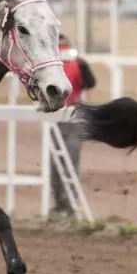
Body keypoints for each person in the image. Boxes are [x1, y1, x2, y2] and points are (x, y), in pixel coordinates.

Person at [49, 33, 96, 215]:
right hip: (55, 118)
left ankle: (70, 203)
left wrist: (83, 65)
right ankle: (59, 202)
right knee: (55, 162)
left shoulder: (78, 64)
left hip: (74, 117)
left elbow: (90, 83)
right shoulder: (49, 66)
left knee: (71, 160)